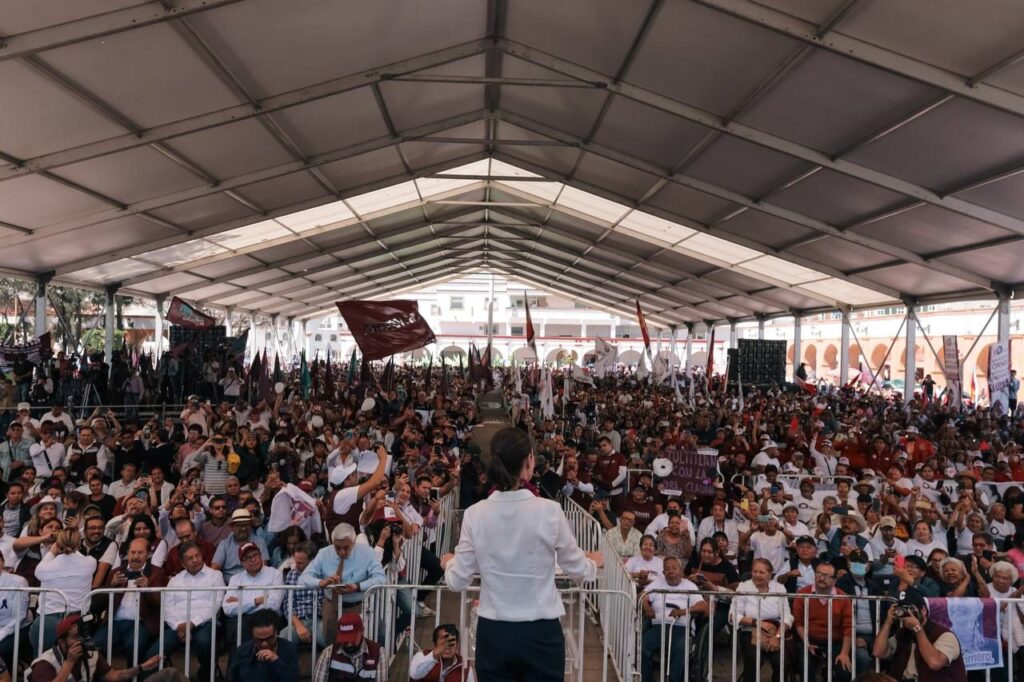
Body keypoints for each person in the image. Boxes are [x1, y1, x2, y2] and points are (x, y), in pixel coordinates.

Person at [442, 428, 600, 682]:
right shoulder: (549, 511)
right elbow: (579, 570)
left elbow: (457, 580)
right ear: (530, 461)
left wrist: (449, 563)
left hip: (494, 634)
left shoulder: (475, 514)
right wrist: (593, 563)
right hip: (541, 634)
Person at [148, 541, 224, 681]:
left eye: (197, 556)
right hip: (178, 627)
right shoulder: (175, 580)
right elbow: (168, 607)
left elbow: (215, 605)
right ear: (183, 563)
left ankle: (205, 677)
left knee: (205, 643)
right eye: (190, 558)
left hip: (204, 624)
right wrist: (179, 626)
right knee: (153, 652)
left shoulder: (215, 576)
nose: (195, 560)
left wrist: (192, 624)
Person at [299, 523, 386, 643]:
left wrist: (358, 587)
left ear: (354, 542)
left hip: (358, 606)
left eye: (346, 547)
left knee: (359, 642)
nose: (342, 552)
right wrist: (321, 582)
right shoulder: (323, 553)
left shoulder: (367, 553)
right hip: (331, 607)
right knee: (331, 642)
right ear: (332, 542)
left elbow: (381, 578)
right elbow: (303, 578)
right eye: (337, 547)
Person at [27, 613, 160, 682]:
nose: (80, 641)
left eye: (83, 636)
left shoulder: (90, 654)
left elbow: (113, 676)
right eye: (75, 637)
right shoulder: (45, 663)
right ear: (61, 642)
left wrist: (141, 667)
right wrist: (69, 663)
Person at [872, 587, 967, 681]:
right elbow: (878, 652)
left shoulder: (945, 635)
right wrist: (888, 622)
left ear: (923, 611)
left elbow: (935, 663)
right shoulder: (903, 633)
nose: (906, 614)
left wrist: (918, 629)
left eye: (910, 609)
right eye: (901, 609)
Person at [96, 537, 167, 662]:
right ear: (127, 554)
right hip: (115, 622)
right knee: (96, 645)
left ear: (149, 554)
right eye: (132, 552)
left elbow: (159, 603)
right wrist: (111, 585)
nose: (135, 556)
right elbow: (99, 602)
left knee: (134, 646)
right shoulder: (116, 572)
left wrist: (147, 589)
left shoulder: (157, 573)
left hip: (142, 622)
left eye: (140, 553)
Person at [639, 555, 707, 682]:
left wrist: (682, 611)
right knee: (642, 646)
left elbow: (702, 606)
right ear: (663, 572)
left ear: (680, 570)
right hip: (659, 625)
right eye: (667, 569)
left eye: (674, 568)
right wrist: (647, 607)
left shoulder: (690, 585)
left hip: (680, 627)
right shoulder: (658, 583)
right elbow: (642, 595)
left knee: (681, 649)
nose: (671, 571)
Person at [32, 528, 97, 652]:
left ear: (58, 543)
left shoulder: (46, 566)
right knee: (75, 663)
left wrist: (51, 551)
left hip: (48, 620)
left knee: (42, 662)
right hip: (77, 620)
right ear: (78, 544)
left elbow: (38, 572)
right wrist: (74, 548)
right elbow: (79, 554)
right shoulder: (90, 562)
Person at [730, 558, 792, 682]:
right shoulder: (743, 587)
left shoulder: (779, 588)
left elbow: (787, 616)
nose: (757, 575)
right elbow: (733, 615)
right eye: (755, 571)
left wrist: (778, 636)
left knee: (783, 661)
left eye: (762, 572)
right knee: (753, 657)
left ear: (770, 574)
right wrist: (757, 623)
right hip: (750, 630)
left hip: (774, 631)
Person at [792, 560, 853, 682]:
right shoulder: (803, 594)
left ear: (835, 580)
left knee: (845, 671)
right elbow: (798, 622)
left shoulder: (843, 597)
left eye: (826, 576)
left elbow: (848, 627)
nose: (821, 578)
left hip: (835, 641)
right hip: (809, 639)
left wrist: (844, 653)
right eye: (819, 574)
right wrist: (806, 642)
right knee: (806, 669)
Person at [223, 542, 284, 645]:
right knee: (235, 627)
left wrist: (241, 602)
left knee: (244, 628)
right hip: (243, 618)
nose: (253, 559)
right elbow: (228, 608)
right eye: (247, 558)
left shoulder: (275, 574)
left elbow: (274, 604)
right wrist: (256, 601)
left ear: (260, 555)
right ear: (242, 562)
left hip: (268, 616)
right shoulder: (235, 579)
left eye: (255, 555)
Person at [226, 608, 300, 682]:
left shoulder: (289, 649)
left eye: (269, 639)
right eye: (259, 640)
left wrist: (276, 660)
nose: (264, 643)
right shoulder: (243, 651)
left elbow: (294, 679)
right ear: (252, 636)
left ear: (276, 632)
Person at [311, 613, 380, 682]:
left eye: (352, 639)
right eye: (345, 640)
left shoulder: (378, 653)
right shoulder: (328, 654)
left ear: (362, 631)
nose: (349, 644)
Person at [281, 540, 325, 648]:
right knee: (282, 641)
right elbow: (288, 605)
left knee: (331, 641)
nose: (296, 566)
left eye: (301, 563)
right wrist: (298, 625)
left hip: (320, 620)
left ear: (313, 561)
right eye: (296, 562)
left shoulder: (324, 574)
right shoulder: (292, 574)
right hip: (298, 621)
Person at [211, 508, 270, 581]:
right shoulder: (224, 544)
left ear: (251, 525)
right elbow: (214, 569)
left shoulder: (259, 542)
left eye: (246, 525)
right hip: (230, 586)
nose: (243, 529)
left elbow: (264, 567)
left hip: (254, 582)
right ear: (232, 527)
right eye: (239, 526)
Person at [410, 624, 475, 681]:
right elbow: (414, 675)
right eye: (443, 643)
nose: (447, 647)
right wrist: (434, 656)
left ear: (457, 646)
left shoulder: (466, 667)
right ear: (435, 644)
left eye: (451, 643)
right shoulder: (421, 656)